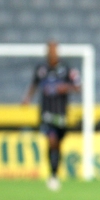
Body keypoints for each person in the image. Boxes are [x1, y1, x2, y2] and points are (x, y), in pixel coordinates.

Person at [22, 40, 81, 191]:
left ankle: (55, 172)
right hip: (46, 112)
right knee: (51, 140)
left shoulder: (67, 69)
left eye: (54, 50)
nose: (52, 53)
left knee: (58, 145)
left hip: (61, 113)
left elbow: (78, 86)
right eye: (50, 50)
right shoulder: (41, 69)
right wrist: (27, 98)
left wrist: (65, 87)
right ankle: (52, 175)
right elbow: (34, 84)